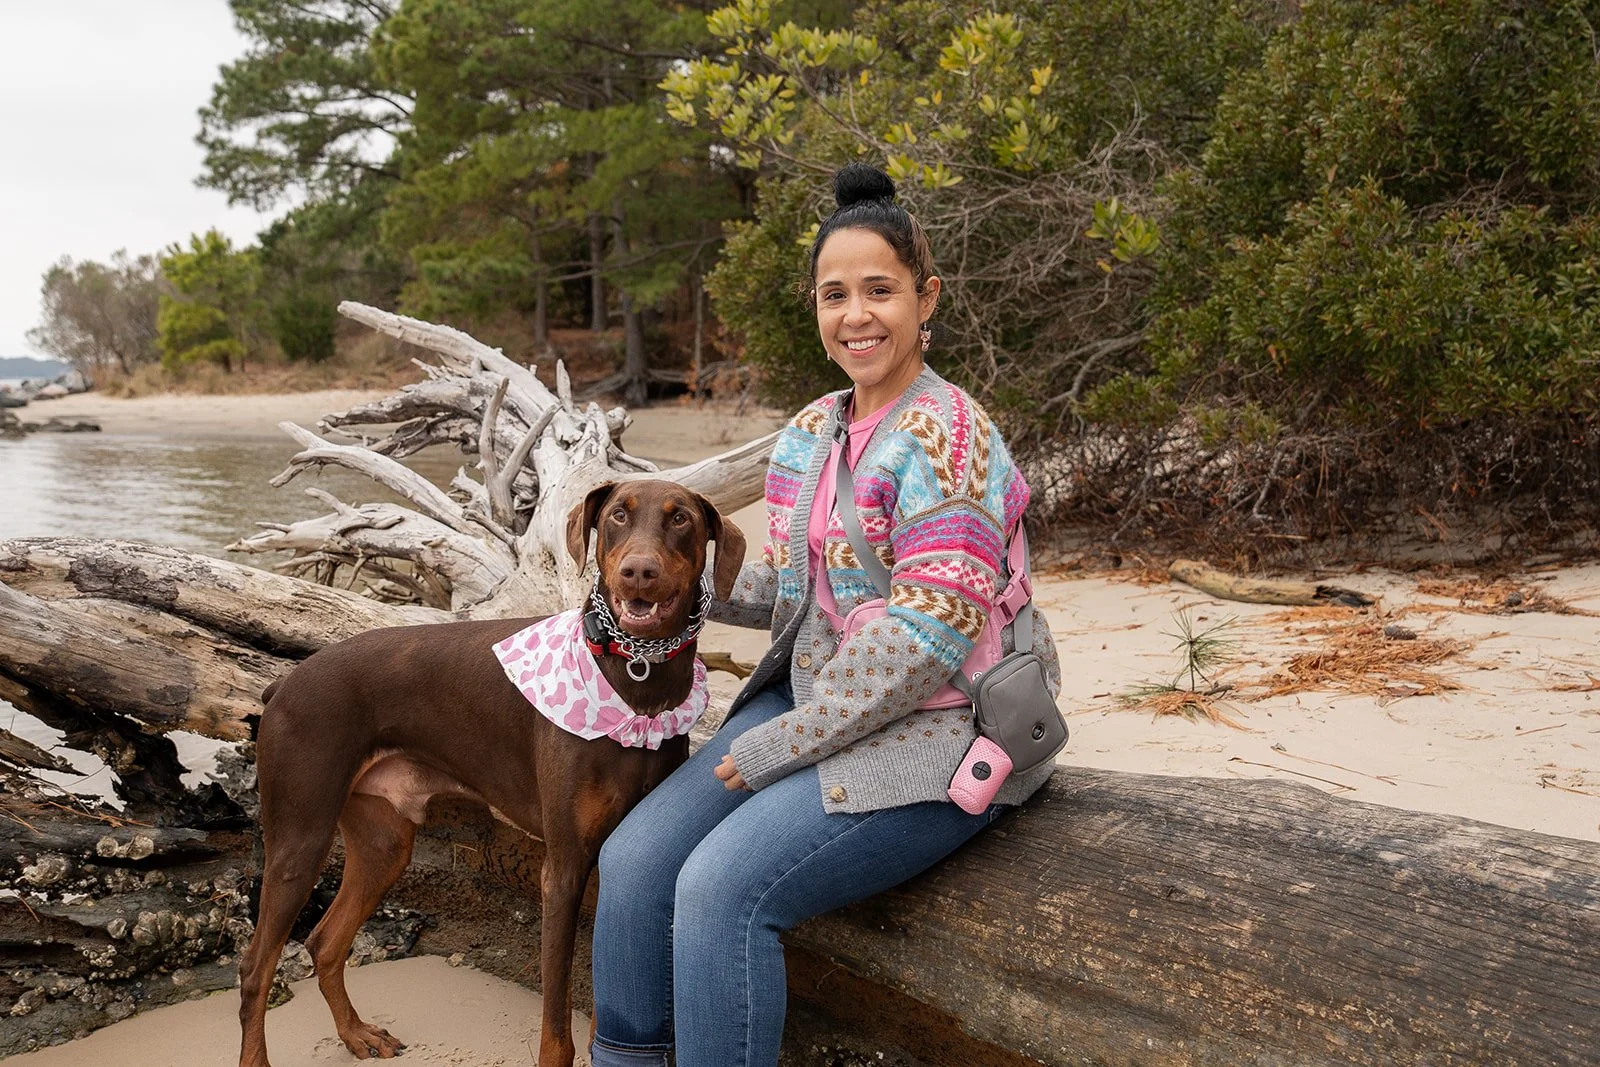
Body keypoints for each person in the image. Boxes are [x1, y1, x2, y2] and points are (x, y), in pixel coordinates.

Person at [587, 161, 1062, 1067]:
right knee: (638, 859)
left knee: (721, 889)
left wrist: (773, 747)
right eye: (834, 293)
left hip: (943, 729)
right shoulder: (812, 430)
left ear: (927, 298)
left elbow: (923, 640)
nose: (857, 315)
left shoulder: (951, 435)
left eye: (880, 290)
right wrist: (668, 582)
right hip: (818, 704)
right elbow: (799, 586)